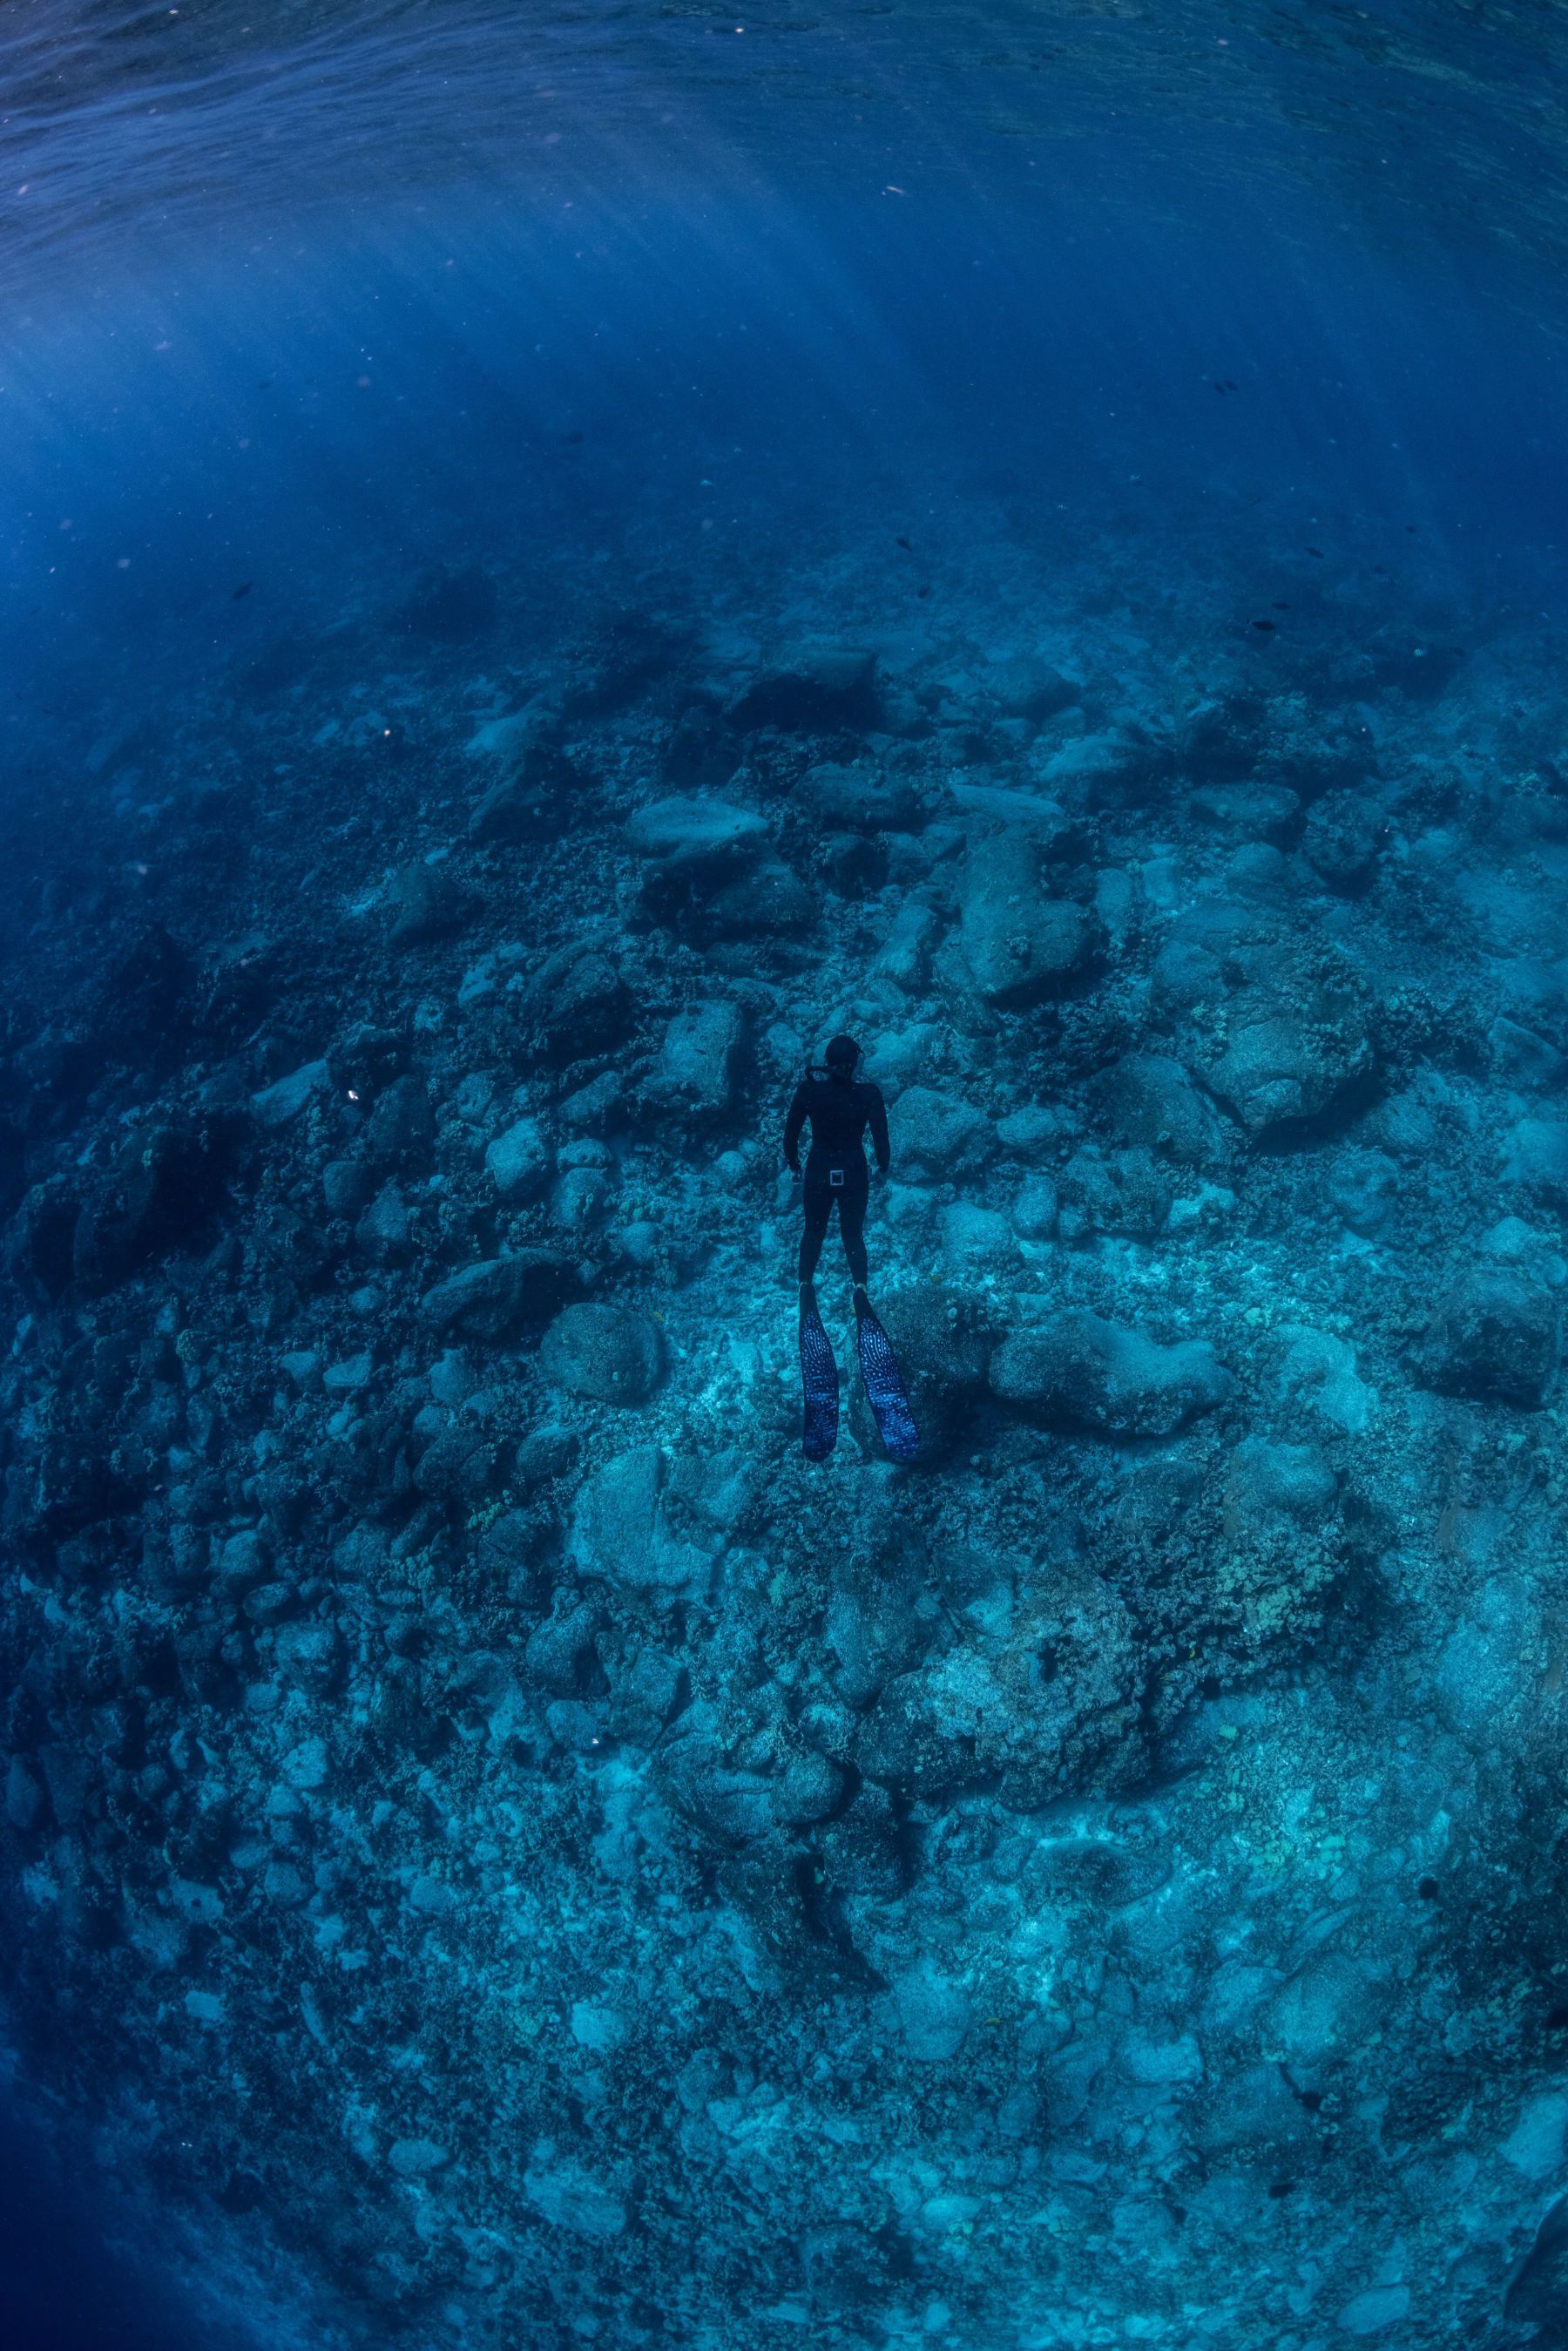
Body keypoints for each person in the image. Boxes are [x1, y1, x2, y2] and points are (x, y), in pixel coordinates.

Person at [783, 1033, 889, 1318]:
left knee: (813, 1231)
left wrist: (795, 1167)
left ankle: (805, 1286)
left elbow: (790, 1134)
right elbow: (881, 1138)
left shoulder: (808, 1091)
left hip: (818, 1171)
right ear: (853, 1063)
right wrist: (882, 1169)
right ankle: (860, 1291)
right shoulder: (869, 1093)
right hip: (854, 1174)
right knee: (852, 1234)